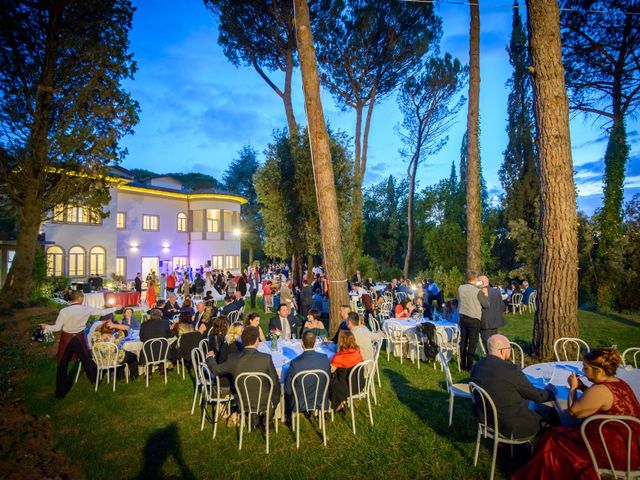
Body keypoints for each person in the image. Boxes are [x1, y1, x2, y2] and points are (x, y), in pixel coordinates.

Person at [514, 348, 640, 480]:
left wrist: (573, 388)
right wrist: (583, 388)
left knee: (551, 436)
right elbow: (602, 402)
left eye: (586, 368)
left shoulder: (598, 390)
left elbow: (574, 413)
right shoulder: (621, 383)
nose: (583, 371)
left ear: (599, 371)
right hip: (633, 446)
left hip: (611, 452)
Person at [39, 291, 122, 398]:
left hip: (67, 338)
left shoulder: (64, 311)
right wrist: (115, 308)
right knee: (86, 359)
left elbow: (57, 328)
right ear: (80, 298)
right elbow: (102, 312)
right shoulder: (86, 308)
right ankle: (94, 380)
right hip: (79, 337)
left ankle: (60, 392)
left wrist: (46, 326)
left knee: (62, 364)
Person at [471, 335, 555, 439]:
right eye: (509, 349)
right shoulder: (511, 371)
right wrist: (551, 392)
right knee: (553, 413)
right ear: (503, 351)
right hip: (511, 427)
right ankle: (543, 448)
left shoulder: (477, 366)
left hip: (485, 419)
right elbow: (538, 397)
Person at [206, 326, 280, 422]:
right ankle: (268, 419)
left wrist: (210, 358)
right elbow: (274, 382)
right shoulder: (266, 358)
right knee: (277, 388)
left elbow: (215, 370)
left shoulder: (233, 358)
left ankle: (254, 418)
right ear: (257, 340)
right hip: (265, 401)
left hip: (242, 400)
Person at [284, 330, 331, 420]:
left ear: (302, 343)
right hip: (320, 398)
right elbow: (327, 379)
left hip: (300, 401)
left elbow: (288, 389)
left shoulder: (295, 363)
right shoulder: (324, 358)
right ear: (315, 342)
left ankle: (288, 418)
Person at [458, 271, 489, 371]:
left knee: (463, 340)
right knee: (472, 342)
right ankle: (469, 365)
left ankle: (462, 363)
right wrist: (485, 295)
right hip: (474, 318)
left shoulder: (460, 288)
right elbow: (486, 305)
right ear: (475, 279)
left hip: (463, 316)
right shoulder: (477, 291)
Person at [330, 330, 364, 411]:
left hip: (345, 388)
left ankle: (337, 405)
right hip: (359, 384)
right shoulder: (357, 351)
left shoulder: (340, 357)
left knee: (327, 379)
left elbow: (330, 370)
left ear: (341, 341)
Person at [478, 275, 506, 351]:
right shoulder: (496, 291)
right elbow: (502, 306)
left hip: (485, 321)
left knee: (488, 344)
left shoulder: (480, 292)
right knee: (494, 342)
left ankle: (491, 359)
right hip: (495, 320)